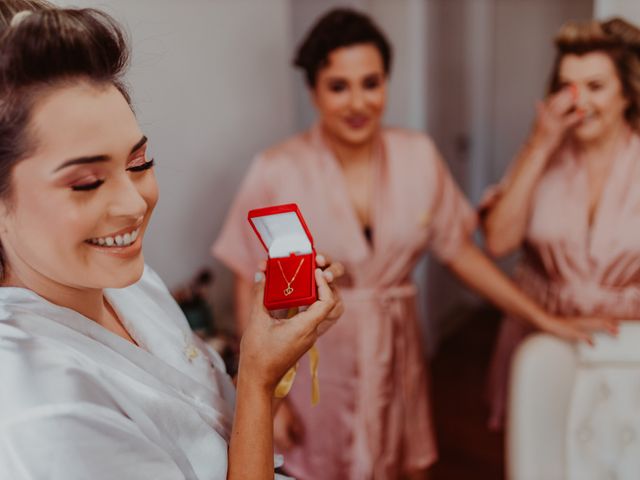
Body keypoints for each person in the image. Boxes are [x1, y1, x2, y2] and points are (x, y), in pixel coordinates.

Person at [213, 8, 617, 480]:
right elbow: (248, 281)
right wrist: (264, 398)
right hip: (314, 363)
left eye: (371, 82)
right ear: (313, 91)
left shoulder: (417, 156)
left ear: (387, 82)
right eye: (338, 87)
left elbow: (461, 252)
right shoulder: (275, 169)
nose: (358, 102)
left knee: (400, 463)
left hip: (396, 353)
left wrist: (547, 318)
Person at [0, 2, 343, 479]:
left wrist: (266, 365)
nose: (134, 205)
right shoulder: (38, 413)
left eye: (139, 164)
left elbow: (220, 420)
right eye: (86, 183)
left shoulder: (126, 282)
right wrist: (260, 380)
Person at [481, 17, 640, 431]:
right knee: (540, 456)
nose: (578, 101)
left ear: (628, 91)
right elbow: (498, 241)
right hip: (540, 333)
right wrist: (541, 143)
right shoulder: (541, 152)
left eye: (595, 86)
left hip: (626, 345)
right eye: (567, 87)